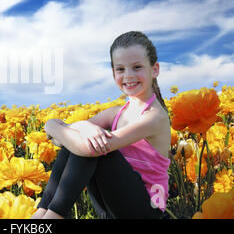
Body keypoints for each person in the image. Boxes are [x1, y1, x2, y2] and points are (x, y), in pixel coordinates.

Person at [31, 31, 171, 219]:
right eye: (120, 69)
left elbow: (85, 147)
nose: (128, 75)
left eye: (137, 67)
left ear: (154, 69)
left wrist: (56, 126)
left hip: (147, 212)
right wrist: (79, 127)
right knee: (81, 141)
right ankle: (41, 214)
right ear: (113, 73)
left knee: (94, 146)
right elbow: (64, 140)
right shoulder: (116, 112)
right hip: (114, 207)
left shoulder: (154, 116)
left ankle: (52, 217)